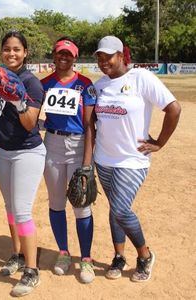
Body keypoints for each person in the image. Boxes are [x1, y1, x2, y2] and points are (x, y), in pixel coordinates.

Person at [93, 36, 181, 282]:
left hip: (133, 159)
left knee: (121, 209)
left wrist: (160, 142)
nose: (103, 61)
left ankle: (144, 255)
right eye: (100, 57)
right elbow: (93, 124)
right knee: (115, 210)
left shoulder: (140, 78)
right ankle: (119, 256)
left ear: (121, 56)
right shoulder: (99, 86)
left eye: (108, 56)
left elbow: (173, 108)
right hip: (103, 159)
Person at [0, 31, 46, 297]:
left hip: (27, 153)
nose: (12, 53)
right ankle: (17, 254)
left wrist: (18, 99)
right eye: (7, 49)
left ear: (25, 52)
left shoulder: (32, 83)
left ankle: (32, 271)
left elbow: (31, 124)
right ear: (1, 52)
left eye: (17, 49)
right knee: (10, 209)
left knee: (22, 211)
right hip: (4, 153)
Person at [41, 37, 97, 283]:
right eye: (60, 53)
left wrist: (86, 163)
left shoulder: (85, 85)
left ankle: (86, 259)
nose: (64, 57)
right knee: (56, 202)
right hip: (52, 144)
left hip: (77, 146)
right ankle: (63, 252)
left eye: (69, 54)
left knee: (81, 203)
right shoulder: (43, 84)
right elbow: (33, 114)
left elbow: (89, 126)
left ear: (75, 57)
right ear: (54, 55)